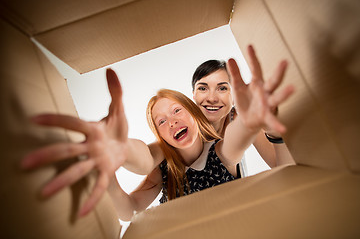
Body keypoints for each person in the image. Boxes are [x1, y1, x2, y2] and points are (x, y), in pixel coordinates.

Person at [21, 45, 294, 220]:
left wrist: (257, 122)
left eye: (176, 112)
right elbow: (142, 161)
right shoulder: (164, 162)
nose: (172, 122)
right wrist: (116, 154)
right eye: (161, 121)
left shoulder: (222, 149)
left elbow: (236, 141)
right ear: (194, 101)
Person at [191, 49, 295, 173]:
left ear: (234, 97)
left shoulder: (240, 118)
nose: (212, 98)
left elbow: (286, 168)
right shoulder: (183, 124)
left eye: (222, 88)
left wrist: (273, 131)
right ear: (193, 95)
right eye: (203, 88)